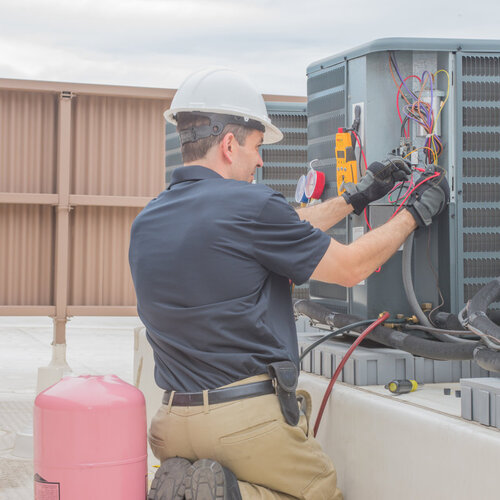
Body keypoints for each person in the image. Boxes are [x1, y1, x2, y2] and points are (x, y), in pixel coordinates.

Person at [129, 67, 449, 500]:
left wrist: (359, 196)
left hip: (171, 423)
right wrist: (414, 211)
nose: (261, 161)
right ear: (228, 144)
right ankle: (233, 495)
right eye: (258, 148)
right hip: (243, 421)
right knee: (320, 493)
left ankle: (193, 488)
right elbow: (351, 267)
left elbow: (287, 226)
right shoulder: (251, 206)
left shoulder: (149, 219)